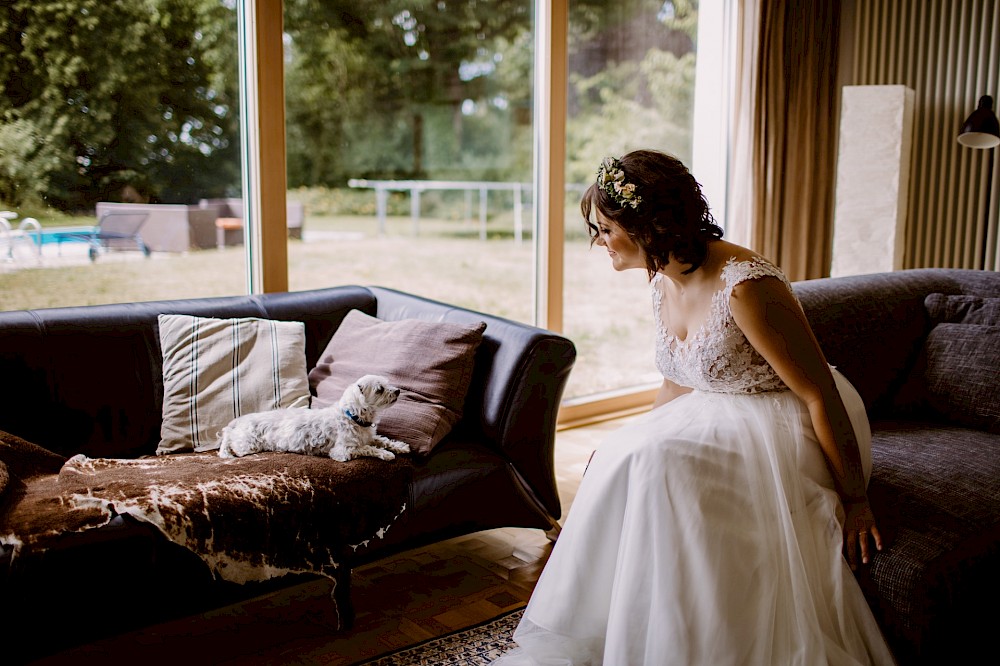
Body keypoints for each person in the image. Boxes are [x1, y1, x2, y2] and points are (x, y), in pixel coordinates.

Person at [491, 150, 896, 665]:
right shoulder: (663, 279)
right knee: (622, 455)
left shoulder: (747, 288)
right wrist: (630, 443)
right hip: (717, 410)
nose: (596, 241)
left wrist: (856, 497)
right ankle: (634, 628)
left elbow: (819, 394)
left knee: (660, 467)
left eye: (603, 228)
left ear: (646, 226)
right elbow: (677, 380)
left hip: (786, 419)